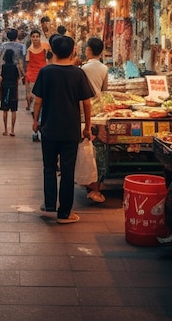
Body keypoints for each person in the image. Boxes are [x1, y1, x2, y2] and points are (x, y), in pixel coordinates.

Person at [32, 35, 94, 224]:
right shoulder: (78, 73)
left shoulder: (46, 72)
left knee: (49, 167)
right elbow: (87, 103)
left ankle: (50, 204)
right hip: (70, 129)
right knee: (67, 171)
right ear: (73, 51)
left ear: (53, 50)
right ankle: (64, 213)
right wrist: (87, 127)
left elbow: (38, 101)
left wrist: (36, 121)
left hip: (49, 127)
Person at [80, 37, 109, 204]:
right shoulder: (104, 68)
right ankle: (96, 185)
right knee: (99, 148)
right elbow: (105, 91)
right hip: (99, 111)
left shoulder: (83, 68)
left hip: (86, 110)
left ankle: (92, 185)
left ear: (90, 50)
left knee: (89, 149)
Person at [24, 29, 49, 123]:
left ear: (40, 37)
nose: (35, 39)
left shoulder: (45, 48)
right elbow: (29, 65)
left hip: (43, 76)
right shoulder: (29, 50)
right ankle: (36, 122)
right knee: (35, 101)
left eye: (37, 37)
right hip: (32, 78)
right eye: (33, 37)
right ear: (31, 38)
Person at [0, 48, 22, 136]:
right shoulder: (14, 67)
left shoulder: (3, 67)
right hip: (13, 89)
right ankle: (12, 130)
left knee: (5, 110)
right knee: (13, 110)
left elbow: (1, 77)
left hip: (5, 88)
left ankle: (5, 129)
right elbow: (18, 77)